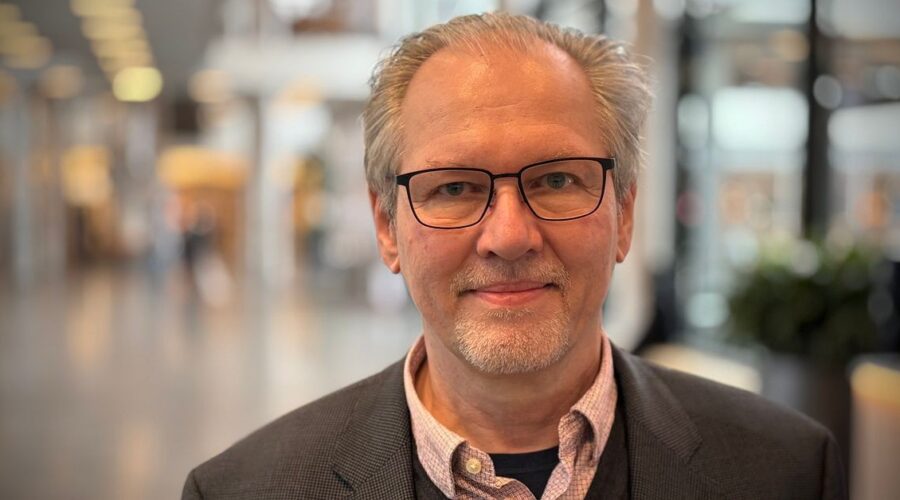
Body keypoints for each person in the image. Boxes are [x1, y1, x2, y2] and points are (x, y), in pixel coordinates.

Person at [182, 12, 847, 500]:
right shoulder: (245, 490)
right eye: (453, 188)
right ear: (387, 225)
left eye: (556, 180)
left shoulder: (783, 471)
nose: (508, 235)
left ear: (624, 214)